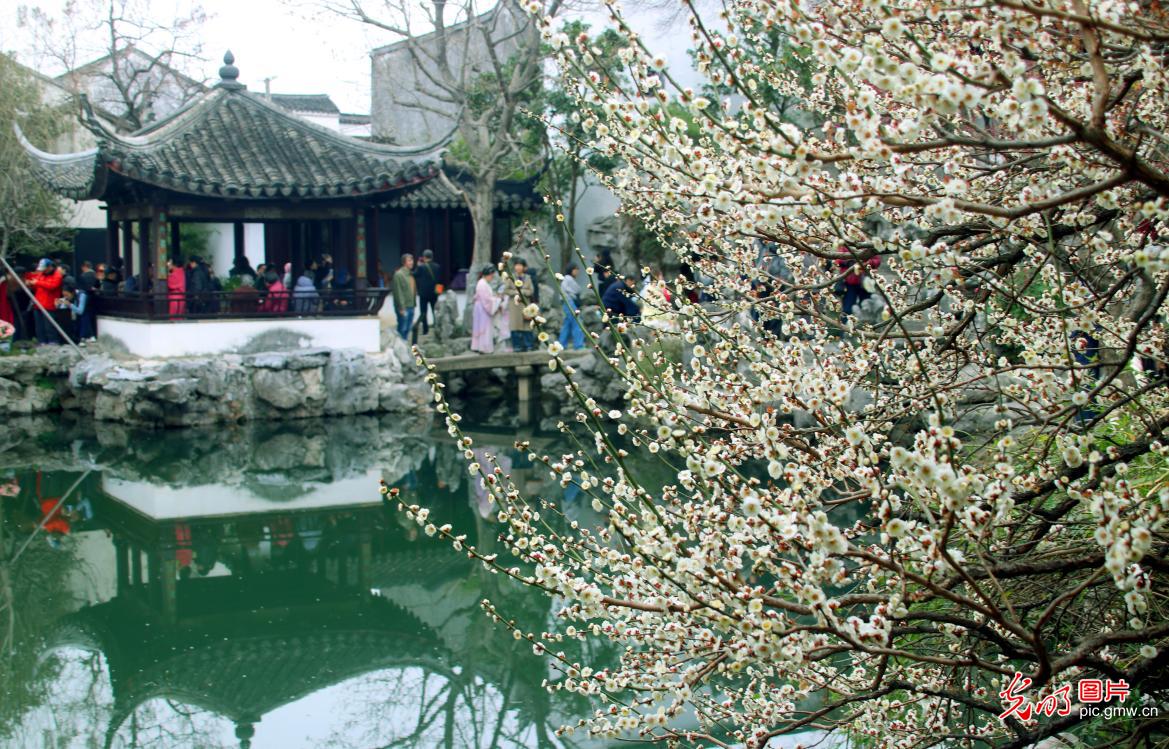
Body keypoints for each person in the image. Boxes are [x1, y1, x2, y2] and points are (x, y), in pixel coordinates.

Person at [24, 259, 63, 344]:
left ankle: (53, 341)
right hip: (38, 304)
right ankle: (42, 341)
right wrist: (30, 284)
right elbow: (36, 285)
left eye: (45, 268)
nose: (43, 270)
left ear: (50, 267)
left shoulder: (57, 275)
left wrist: (37, 282)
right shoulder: (41, 274)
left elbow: (52, 286)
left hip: (49, 305)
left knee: (49, 325)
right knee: (39, 326)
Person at [835, 252, 881, 319]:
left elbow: (877, 261)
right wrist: (850, 261)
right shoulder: (845, 245)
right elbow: (838, 261)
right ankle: (846, 323)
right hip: (850, 283)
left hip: (865, 282)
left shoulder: (868, 246)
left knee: (866, 305)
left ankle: (866, 324)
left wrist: (868, 263)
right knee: (848, 306)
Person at [472, 265, 504, 354]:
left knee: (483, 328)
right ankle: (484, 348)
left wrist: (495, 298)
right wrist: (497, 300)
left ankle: (482, 347)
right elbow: (486, 300)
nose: (492, 277)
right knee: (485, 328)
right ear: (488, 275)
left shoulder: (482, 283)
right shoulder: (482, 284)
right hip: (482, 309)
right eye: (492, 275)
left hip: (481, 307)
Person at [508, 258, 536, 351]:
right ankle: (517, 346)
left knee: (526, 325)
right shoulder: (511, 277)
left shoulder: (527, 277)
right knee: (515, 326)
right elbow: (506, 290)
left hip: (525, 304)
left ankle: (529, 345)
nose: (518, 267)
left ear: (524, 267)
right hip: (514, 305)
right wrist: (516, 292)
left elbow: (531, 290)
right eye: (517, 265)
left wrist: (522, 291)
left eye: (520, 265)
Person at [413, 249, 441, 335]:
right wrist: (438, 292)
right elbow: (440, 280)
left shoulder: (421, 267)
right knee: (435, 311)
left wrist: (418, 265)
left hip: (423, 293)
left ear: (424, 257)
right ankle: (437, 328)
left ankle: (425, 330)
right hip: (434, 293)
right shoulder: (437, 266)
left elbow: (414, 275)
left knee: (423, 312)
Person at [558, 264, 585, 350]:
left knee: (567, 323)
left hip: (566, 302)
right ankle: (578, 345)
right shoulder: (568, 278)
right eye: (576, 270)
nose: (577, 272)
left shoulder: (566, 279)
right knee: (577, 322)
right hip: (569, 301)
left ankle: (562, 344)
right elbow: (577, 289)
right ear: (571, 270)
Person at [392, 254, 417, 340]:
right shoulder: (399, 275)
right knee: (402, 328)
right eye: (409, 261)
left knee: (408, 328)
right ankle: (400, 348)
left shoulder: (411, 274)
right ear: (404, 262)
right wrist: (401, 308)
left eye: (412, 260)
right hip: (403, 307)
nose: (412, 262)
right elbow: (398, 292)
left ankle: (404, 347)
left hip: (411, 305)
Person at [67, 274, 97, 342]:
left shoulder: (82, 294)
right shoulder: (79, 294)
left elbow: (80, 311)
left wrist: (70, 305)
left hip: (85, 320)